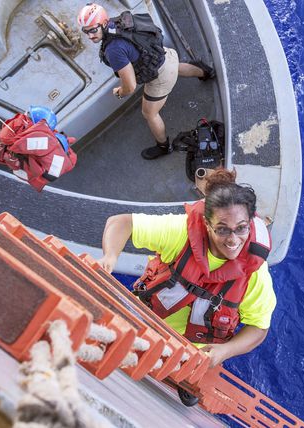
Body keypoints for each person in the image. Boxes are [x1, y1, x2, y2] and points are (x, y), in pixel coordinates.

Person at [97, 169, 275, 404]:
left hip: (191, 351)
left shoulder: (255, 273)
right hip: (141, 320)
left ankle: (185, 373)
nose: (233, 239)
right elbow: (121, 223)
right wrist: (110, 257)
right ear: (206, 223)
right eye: (222, 229)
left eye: (241, 228)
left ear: (251, 223)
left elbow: (259, 327)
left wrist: (225, 351)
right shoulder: (181, 232)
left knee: (184, 384)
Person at [77, 3, 215, 160]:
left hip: (159, 77)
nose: (90, 36)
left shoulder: (113, 50)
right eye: (85, 31)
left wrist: (120, 92)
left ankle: (163, 146)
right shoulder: (118, 22)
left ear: (103, 23)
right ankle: (206, 72)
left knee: (149, 113)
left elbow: (130, 86)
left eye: (93, 30)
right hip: (165, 55)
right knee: (174, 67)